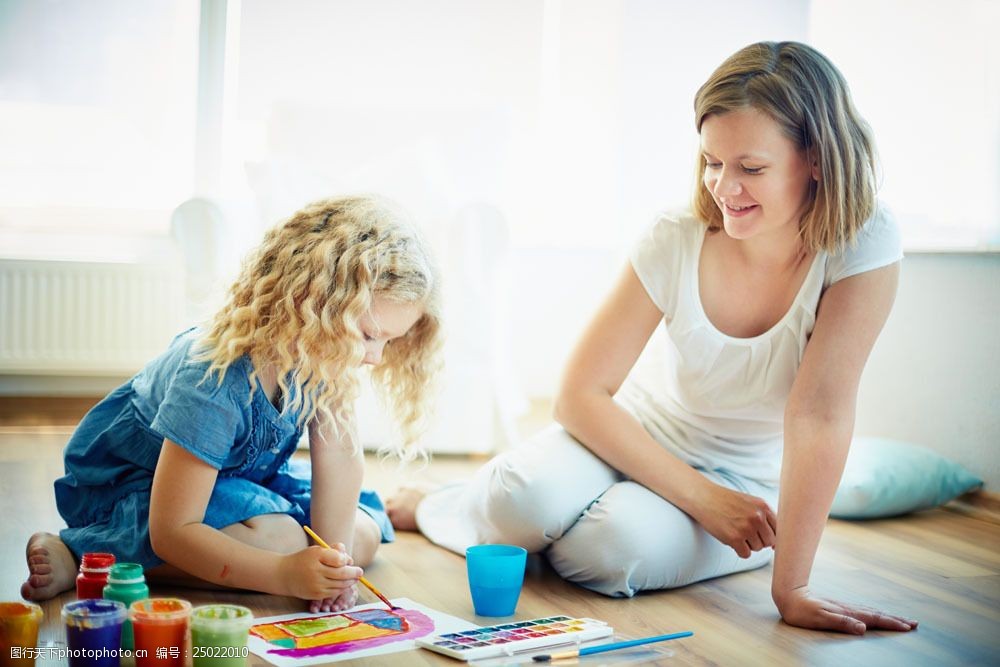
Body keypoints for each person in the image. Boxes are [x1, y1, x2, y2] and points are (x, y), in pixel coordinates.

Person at [388, 41, 918, 635]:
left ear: (816, 158)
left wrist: (791, 587)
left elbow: (819, 415)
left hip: (746, 484)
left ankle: (527, 520)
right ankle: (449, 504)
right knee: (521, 501)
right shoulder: (675, 235)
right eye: (712, 162)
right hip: (631, 439)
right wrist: (699, 498)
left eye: (751, 167)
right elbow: (581, 396)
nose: (724, 187)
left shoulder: (863, 240)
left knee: (611, 553)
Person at [22, 195, 442, 614]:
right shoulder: (215, 374)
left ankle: (282, 556)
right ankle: (86, 557)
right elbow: (172, 530)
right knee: (282, 544)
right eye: (369, 335)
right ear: (313, 304)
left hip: (235, 477)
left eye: (390, 340)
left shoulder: (324, 359)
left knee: (360, 535)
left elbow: (342, 464)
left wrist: (332, 573)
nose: (376, 358)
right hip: (138, 487)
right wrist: (284, 574)